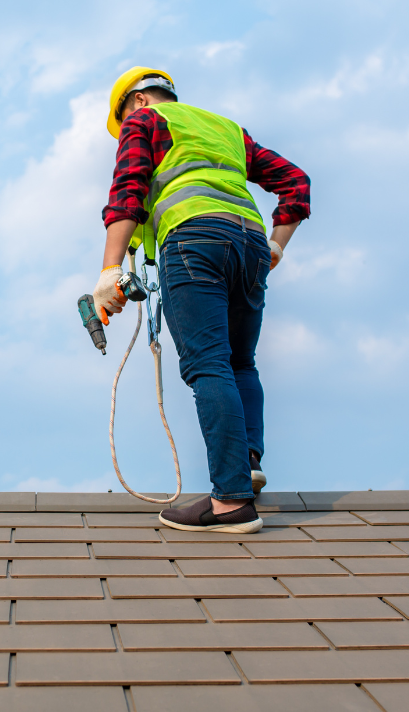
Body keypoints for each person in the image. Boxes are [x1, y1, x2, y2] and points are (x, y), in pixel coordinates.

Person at [92, 67, 310, 533]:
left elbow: (128, 191)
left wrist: (110, 270)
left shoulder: (145, 122)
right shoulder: (226, 129)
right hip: (250, 243)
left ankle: (230, 503)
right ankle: (245, 465)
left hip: (193, 240)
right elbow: (296, 181)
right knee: (239, 363)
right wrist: (276, 245)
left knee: (207, 364)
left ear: (137, 103)